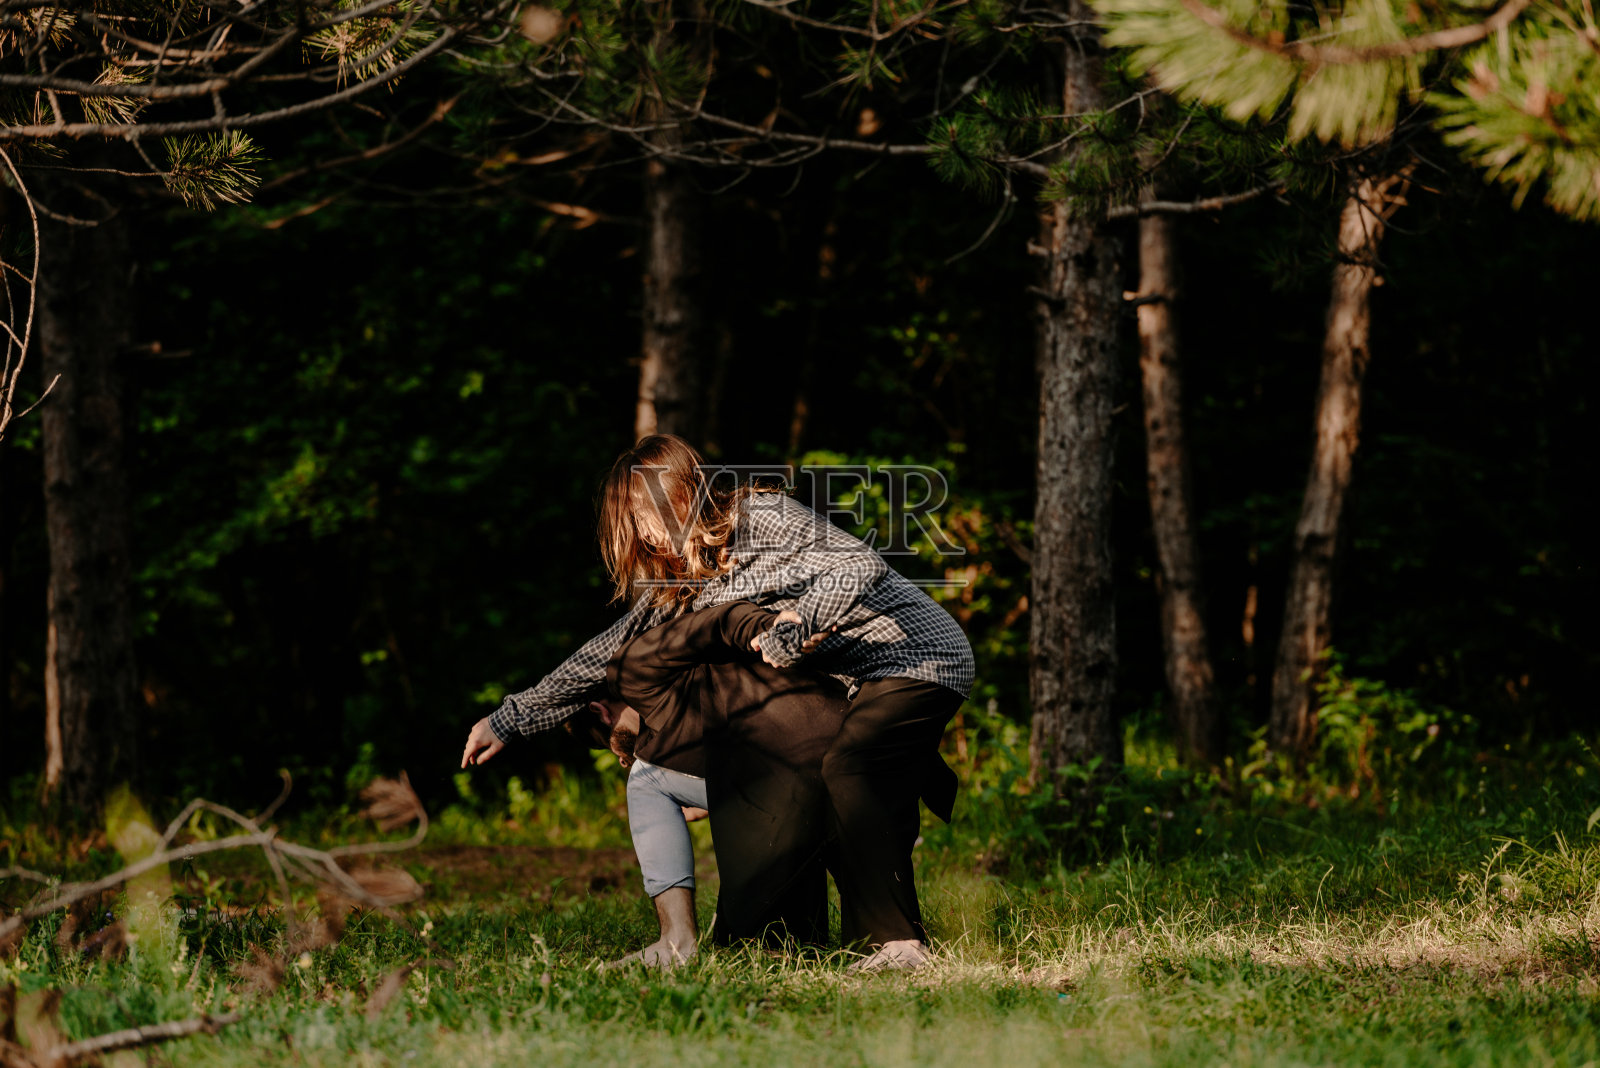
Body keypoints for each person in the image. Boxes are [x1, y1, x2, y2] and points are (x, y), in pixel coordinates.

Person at [462, 433, 973, 970]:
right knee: (835, 773)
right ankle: (852, 937)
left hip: (917, 655)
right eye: (631, 522)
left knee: (852, 767)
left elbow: (857, 564)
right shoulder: (689, 583)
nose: (644, 531)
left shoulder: (760, 514)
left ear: (683, 492)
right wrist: (509, 719)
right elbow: (608, 652)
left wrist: (800, 623)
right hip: (853, 682)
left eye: (645, 511)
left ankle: (901, 943)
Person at [568, 598, 852, 967]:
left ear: (601, 711)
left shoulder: (660, 688)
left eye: (608, 743)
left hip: (798, 773)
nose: (622, 757)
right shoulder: (697, 675)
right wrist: (715, 793)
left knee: (645, 779)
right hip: (838, 741)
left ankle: (676, 941)